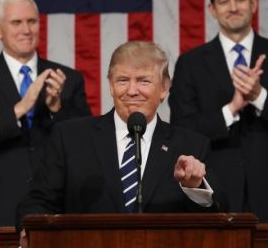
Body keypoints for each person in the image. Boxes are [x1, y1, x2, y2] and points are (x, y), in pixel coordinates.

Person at [16, 41, 221, 242]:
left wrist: (195, 187)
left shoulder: (191, 145)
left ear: (164, 89)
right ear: (111, 86)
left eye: (144, 81)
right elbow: (38, 201)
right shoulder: (70, 137)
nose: (132, 90)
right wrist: (29, 230)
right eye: (122, 80)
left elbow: (218, 217)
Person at [168, 0, 268, 222]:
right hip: (216, 188)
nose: (233, 7)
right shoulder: (190, 63)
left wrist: (259, 96)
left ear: (253, 3)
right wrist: (231, 109)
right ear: (212, 9)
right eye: (224, 1)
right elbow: (182, 128)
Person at [0, 0, 91, 227]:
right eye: (17, 22)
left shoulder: (67, 78)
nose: (26, 30)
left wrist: (57, 109)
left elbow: (85, 143)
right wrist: (18, 109)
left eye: (32, 21)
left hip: (52, 204)